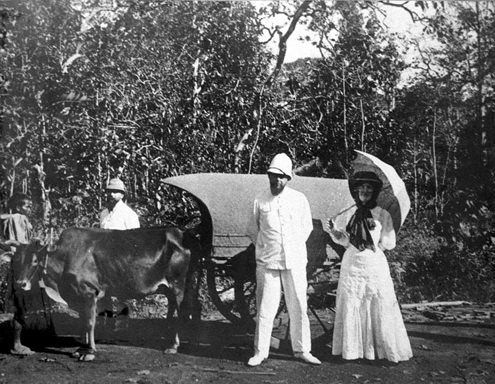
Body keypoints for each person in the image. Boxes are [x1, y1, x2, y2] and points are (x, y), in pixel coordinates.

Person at [326, 171, 413, 363]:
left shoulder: (382, 214)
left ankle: (379, 350)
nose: (364, 191)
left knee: (376, 301)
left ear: (374, 191)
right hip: (351, 264)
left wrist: (375, 247)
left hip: (373, 264)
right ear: (356, 190)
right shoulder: (349, 212)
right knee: (353, 301)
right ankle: (353, 351)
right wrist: (334, 230)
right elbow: (345, 241)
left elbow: (389, 242)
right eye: (361, 187)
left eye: (369, 188)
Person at [247, 153, 321, 367]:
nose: (276, 180)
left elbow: (306, 227)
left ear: (288, 178)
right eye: (272, 175)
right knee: (265, 308)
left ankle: (302, 350)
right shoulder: (259, 200)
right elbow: (252, 230)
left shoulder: (299, 199)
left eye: (281, 176)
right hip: (268, 262)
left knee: (298, 305)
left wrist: (292, 247)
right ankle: (260, 352)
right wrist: (266, 249)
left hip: (295, 262)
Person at [0, 193, 35, 355]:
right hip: (21, 263)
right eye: (27, 205)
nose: (30, 208)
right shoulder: (18, 218)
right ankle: (16, 344)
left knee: (17, 302)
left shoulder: (8, 218)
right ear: (19, 207)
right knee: (19, 303)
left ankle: (16, 342)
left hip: (14, 262)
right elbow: (23, 245)